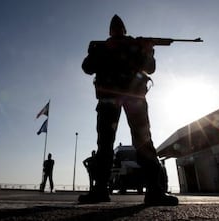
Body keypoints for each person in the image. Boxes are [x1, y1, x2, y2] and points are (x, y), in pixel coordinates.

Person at [78, 15, 178, 206]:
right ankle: (100, 190)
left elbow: (150, 68)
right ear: (110, 32)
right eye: (114, 28)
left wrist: (148, 51)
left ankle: (154, 190)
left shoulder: (135, 45)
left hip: (134, 98)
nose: (117, 30)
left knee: (143, 141)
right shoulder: (101, 47)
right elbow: (87, 67)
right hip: (110, 98)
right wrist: (98, 52)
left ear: (124, 30)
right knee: (105, 144)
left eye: (119, 27)